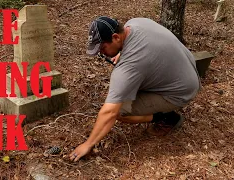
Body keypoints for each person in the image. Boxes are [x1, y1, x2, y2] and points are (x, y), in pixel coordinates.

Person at [69, 16, 200, 162]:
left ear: (116, 37)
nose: (101, 53)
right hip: (187, 70)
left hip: (181, 91)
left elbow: (110, 112)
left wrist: (88, 144)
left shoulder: (129, 67)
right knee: (125, 90)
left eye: (102, 48)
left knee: (121, 111)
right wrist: (121, 53)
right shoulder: (135, 22)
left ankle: (167, 118)